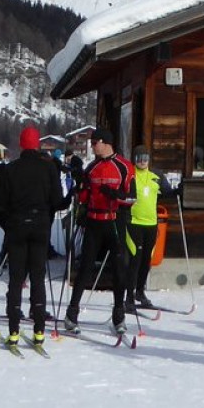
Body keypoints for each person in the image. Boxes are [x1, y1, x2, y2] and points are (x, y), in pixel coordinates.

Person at [0, 126, 71, 347]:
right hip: (40, 227)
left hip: (17, 226)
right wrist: (71, 195)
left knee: (16, 278)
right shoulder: (48, 169)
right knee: (37, 277)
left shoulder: (10, 169)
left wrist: (8, 223)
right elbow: (57, 201)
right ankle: (39, 332)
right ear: (37, 144)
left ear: (21, 143)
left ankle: (14, 331)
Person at [64, 129, 135, 335]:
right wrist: (80, 185)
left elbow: (132, 198)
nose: (92, 146)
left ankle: (119, 315)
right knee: (84, 267)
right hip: (94, 222)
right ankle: (72, 314)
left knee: (119, 269)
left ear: (106, 143)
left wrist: (115, 194)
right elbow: (85, 197)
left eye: (95, 142)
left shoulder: (124, 166)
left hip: (114, 221)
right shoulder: (92, 167)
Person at [126, 149, 180, 310]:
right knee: (135, 259)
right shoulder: (130, 174)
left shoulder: (156, 176)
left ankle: (140, 292)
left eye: (145, 158)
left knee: (146, 260)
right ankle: (128, 296)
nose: (142, 161)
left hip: (151, 224)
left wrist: (179, 190)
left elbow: (168, 193)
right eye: (139, 158)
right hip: (133, 222)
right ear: (134, 159)